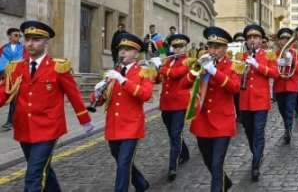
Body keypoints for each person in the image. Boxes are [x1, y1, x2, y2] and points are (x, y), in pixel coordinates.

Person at [0, 20, 94, 191]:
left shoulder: (58, 67)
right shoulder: (15, 68)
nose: (30, 43)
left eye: (36, 39)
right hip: (24, 128)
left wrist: (84, 120)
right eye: (27, 39)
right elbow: (4, 92)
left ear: (45, 42)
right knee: (43, 169)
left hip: (48, 128)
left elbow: (74, 95)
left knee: (34, 175)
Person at [91, 33, 155, 192]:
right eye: (121, 49)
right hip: (113, 126)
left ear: (136, 53)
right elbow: (100, 101)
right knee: (121, 160)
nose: (122, 53)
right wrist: (97, 91)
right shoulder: (114, 72)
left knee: (124, 162)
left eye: (127, 50)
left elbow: (146, 95)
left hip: (131, 126)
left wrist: (123, 80)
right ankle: (141, 183)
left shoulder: (143, 72)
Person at [185, 27, 242, 191]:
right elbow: (184, 85)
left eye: (217, 47)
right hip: (202, 121)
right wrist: (196, 68)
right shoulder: (202, 63)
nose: (213, 50)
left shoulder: (233, 66)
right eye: (210, 46)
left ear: (225, 49)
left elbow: (235, 88)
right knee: (208, 160)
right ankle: (226, 182)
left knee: (217, 163)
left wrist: (214, 71)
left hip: (222, 122)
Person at [238, 24, 277, 181]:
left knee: (258, 131)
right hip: (245, 101)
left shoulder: (269, 56)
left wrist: (257, 65)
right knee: (249, 131)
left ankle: (256, 164)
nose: (252, 40)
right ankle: (256, 153)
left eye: (256, 37)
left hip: (260, 101)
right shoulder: (240, 57)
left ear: (261, 40)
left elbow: (275, 73)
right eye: (249, 38)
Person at [158, 34, 192, 181]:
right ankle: (184, 152)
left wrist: (161, 68)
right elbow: (158, 79)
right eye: (176, 47)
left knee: (175, 133)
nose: (178, 49)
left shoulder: (188, 61)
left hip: (179, 103)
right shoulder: (168, 61)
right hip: (166, 103)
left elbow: (177, 74)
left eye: (181, 47)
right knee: (173, 134)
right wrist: (152, 69)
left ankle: (172, 167)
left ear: (186, 47)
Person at [273, 27, 298, 144]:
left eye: (287, 38)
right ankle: (286, 126)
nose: (284, 41)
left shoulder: (295, 53)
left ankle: (288, 130)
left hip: (292, 86)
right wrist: (280, 61)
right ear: (278, 41)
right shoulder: (275, 54)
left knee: (289, 109)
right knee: (282, 109)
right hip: (279, 86)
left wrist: (291, 60)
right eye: (282, 38)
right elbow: (272, 68)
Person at [0, 27, 24, 131]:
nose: (18, 37)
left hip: (20, 78)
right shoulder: (4, 48)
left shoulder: (24, 48)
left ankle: (11, 122)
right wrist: (4, 71)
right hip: (7, 77)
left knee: (15, 101)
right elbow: (1, 61)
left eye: (19, 35)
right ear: (9, 36)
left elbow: (25, 61)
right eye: (16, 35)